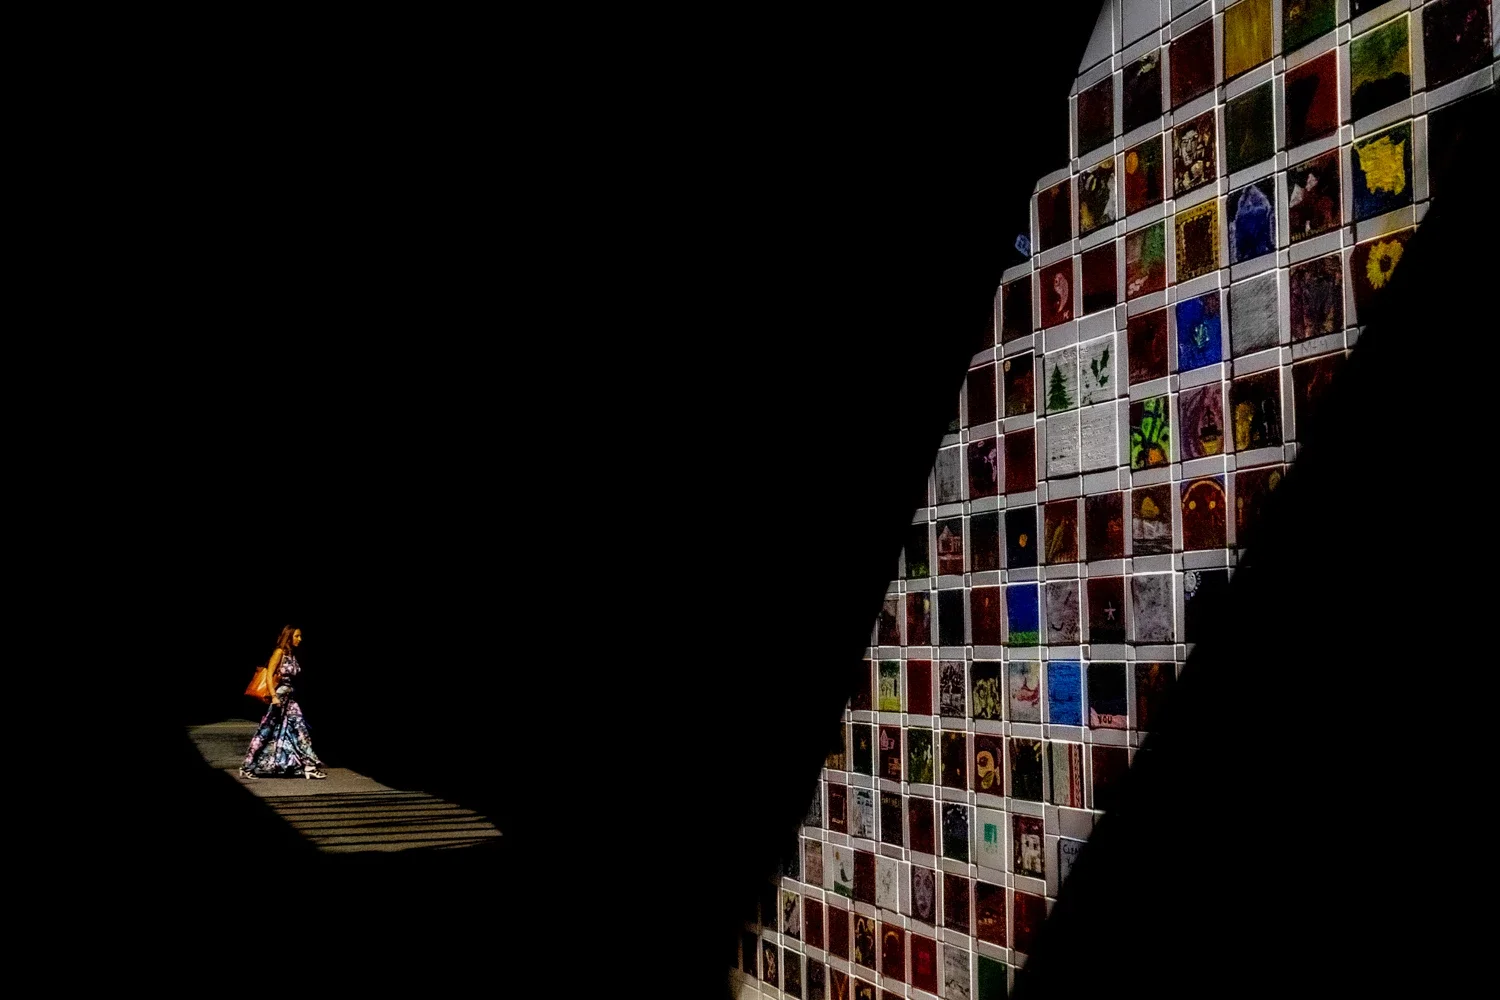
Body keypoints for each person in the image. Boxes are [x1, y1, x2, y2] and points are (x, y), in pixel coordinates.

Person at [239, 625, 327, 779]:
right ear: (289, 636)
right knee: (265, 731)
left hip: (290, 699)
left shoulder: (291, 654)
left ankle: (309, 766)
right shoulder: (279, 652)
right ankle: (247, 766)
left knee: (300, 730)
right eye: (297, 636)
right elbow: (269, 675)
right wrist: (273, 696)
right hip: (279, 697)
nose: (300, 639)